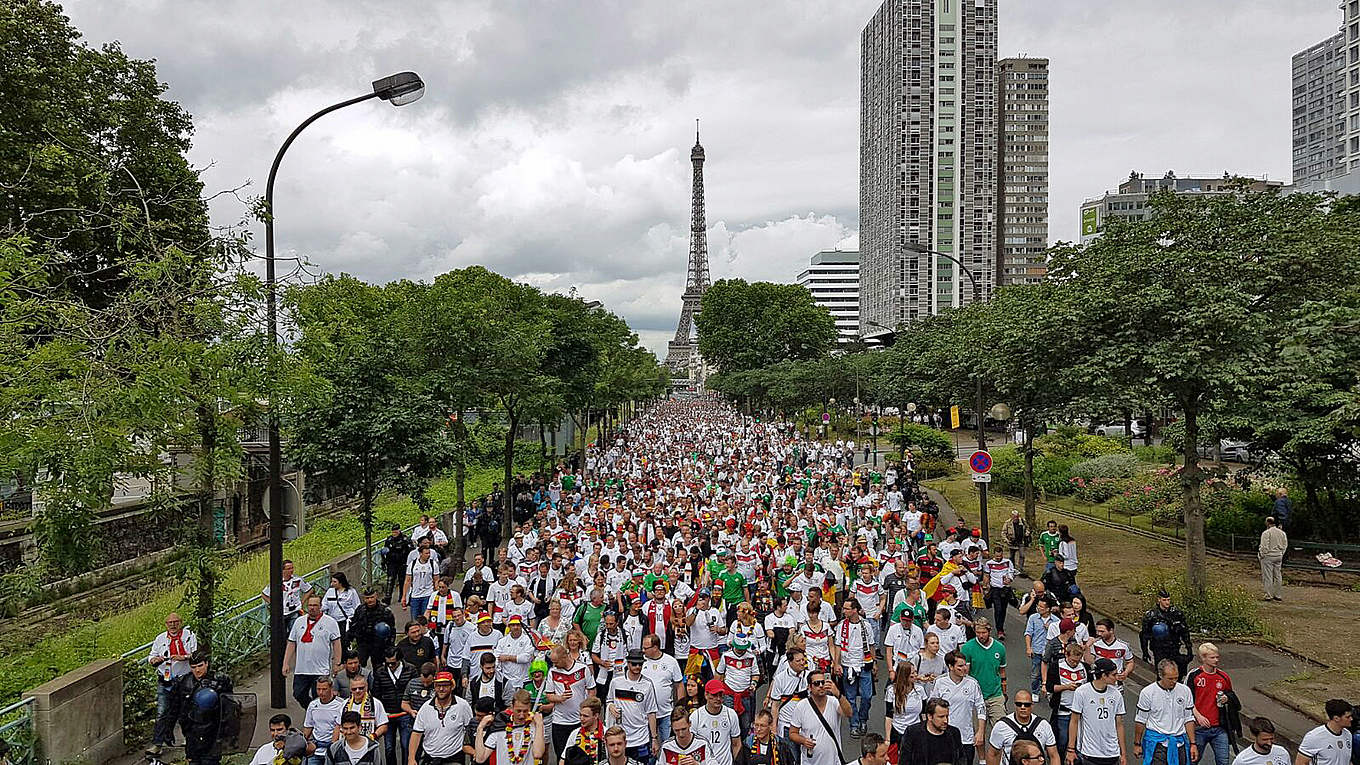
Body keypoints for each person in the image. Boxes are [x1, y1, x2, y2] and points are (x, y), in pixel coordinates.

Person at [149, 612, 198, 752]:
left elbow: (195, 654)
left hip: (184, 677)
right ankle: (157, 744)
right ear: (166, 624)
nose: (173, 625)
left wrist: (184, 657)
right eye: (170, 623)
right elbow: (152, 655)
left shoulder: (189, 635)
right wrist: (154, 660)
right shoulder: (160, 639)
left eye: (175, 622)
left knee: (185, 709)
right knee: (162, 711)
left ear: (180, 623)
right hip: (165, 678)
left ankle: (187, 738)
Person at [174, 651, 234, 765]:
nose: (197, 670)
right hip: (193, 733)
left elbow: (229, 706)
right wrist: (171, 728)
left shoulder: (220, 680)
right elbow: (178, 707)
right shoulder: (184, 682)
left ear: (206, 664)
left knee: (210, 761)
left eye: (200, 666)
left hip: (213, 731)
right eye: (193, 667)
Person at [284, 594, 343, 709]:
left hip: (320, 669)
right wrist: (286, 662)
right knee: (298, 694)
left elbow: (336, 643)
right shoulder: (299, 622)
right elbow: (291, 642)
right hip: (302, 669)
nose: (312, 608)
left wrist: (337, 663)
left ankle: (318, 717)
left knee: (320, 696)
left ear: (320, 606)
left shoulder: (330, 622)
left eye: (315, 605)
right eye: (310, 605)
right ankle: (312, 709)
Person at [1065, 658, 1126, 765]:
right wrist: (1071, 749)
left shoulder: (1116, 694)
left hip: (1112, 752)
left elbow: (1119, 724)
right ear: (1103, 675)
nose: (1117, 678)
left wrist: (1123, 753)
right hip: (1089, 752)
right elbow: (1074, 721)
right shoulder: (1082, 692)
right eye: (1113, 674)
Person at [1134, 659, 1195, 765]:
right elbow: (1140, 720)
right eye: (1170, 678)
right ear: (1161, 675)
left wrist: (1193, 743)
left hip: (1179, 743)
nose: (1174, 681)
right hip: (1158, 744)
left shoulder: (1185, 691)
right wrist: (1137, 743)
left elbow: (1188, 719)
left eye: (1176, 678)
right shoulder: (1148, 693)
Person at [606, 649, 661, 764]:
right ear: (628, 663)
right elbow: (609, 700)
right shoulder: (616, 682)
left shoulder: (648, 684)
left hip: (641, 738)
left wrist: (654, 739)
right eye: (634, 664)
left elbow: (651, 712)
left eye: (640, 664)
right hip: (621, 738)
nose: (637, 666)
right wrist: (611, 706)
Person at [408, 670, 474, 765]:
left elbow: (470, 730)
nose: (441, 689)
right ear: (435, 687)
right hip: (430, 758)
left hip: (454, 758)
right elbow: (416, 734)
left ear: (452, 686)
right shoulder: (425, 708)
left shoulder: (463, 706)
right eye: (438, 685)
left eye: (445, 685)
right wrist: (411, 758)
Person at [933, 650, 987, 765]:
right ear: (950, 666)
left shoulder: (972, 683)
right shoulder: (940, 682)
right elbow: (931, 708)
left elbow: (981, 707)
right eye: (960, 666)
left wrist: (980, 731)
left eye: (965, 665)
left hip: (966, 738)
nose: (965, 668)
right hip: (943, 736)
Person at [786, 669, 850, 765]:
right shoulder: (801, 706)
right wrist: (803, 741)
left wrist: (838, 694)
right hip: (810, 761)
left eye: (823, 682)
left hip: (833, 761)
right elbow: (792, 733)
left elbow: (848, 713)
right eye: (816, 683)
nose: (821, 686)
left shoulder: (834, 702)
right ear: (809, 687)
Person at [1185, 643, 1233, 765]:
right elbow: (1186, 699)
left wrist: (1227, 698)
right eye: (1212, 657)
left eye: (1217, 657)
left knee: (1223, 761)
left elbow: (1232, 696)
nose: (1216, 660)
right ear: (1203, 658)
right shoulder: (1194, 675)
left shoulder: (1223, 677)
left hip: (1219, 729)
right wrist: (1198, 716)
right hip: (1198, 728)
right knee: (1192, 760)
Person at [834, 597, 874, 738]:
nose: (844, 611)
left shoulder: (866, 625)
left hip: (864, 664)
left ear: (855, 610)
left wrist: (874, 663)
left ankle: (863, 719)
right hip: (847, 665)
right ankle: (854, 724)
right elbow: (838, 645)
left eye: (847, 608)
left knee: (866, 696)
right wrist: (836, 663)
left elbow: (871, 644)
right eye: (844, 608)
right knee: (850, 698)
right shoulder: (841, 626)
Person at [987, 690, 1059, 765]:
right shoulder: (1001, 726)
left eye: (1026, 704)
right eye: (1019, 704)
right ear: (1015, 705)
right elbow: (993, 754)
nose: (1023, 707)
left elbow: (1054, 755)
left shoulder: (1044, 725)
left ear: (1032, 705)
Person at [476, 690, 547, 765]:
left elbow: (538, 754)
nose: (522, 715)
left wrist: (539, 725)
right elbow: (480, 758)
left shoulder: (535, 726)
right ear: (512, 707)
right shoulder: (500, 725)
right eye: (518, 711)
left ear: (529, 708)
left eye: (525, 711)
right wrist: (480, 728)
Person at [961, 617, 1008, 728]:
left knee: (1001, 730)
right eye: (978, 632)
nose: (981, 636)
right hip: (975, 696)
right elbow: (965, 674)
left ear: (989, 631)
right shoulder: (967, 648)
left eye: (984, 632)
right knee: (978, 735)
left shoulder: (1000, 648)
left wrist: (1004, 693)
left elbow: (1002, 671)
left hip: (995, 695)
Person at [371, 649, 414, 765]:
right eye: (387, 663)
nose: (390, 666)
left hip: (405, 713)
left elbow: (414, 690)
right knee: (389, 748)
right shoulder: (380, 672)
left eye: (393, 663)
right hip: (387, 715)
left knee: (406, 745)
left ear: (399, 660)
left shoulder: (410, 669)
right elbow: (376, 694)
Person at [641, 634, 685, 744]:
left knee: (668, 744)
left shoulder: (671, 661)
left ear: (655, 648)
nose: (643, 650)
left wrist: (680, 707)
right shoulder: (640, 662)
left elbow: (679, 685)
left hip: (666, 713)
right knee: (650, 747)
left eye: (646, 648)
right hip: (646, 714)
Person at [1139, 591, 1192, 679]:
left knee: (1177, 671)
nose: (1167, 602)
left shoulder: (1176, 613)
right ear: (1159, 600)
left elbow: (1184, 631)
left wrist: (1189, 648)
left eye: (1168, 600)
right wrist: (1145, 652)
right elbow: (1144, 635)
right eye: (1164, 600)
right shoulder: (1151, 615)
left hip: (1174, 647)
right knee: (1162, 672)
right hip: (1159, 648)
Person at [899, 698, 963, 765]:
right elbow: (904, 761)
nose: (945, 721)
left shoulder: (954, 733)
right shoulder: (913, 733)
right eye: (941, 717)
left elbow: (961, 760)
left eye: (947, 716)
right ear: (930, 716)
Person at [1295, 700, 1354, 765]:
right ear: (1336, 718)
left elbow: (1346, 760)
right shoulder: (1314, 737)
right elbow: (1300, 763)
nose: (1351, 719)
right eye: (1348, 717)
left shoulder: (1348, 734)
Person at [352, 589, 398, 671]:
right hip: (363, 642)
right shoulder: (360, 610)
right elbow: (354, 625)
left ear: (376, 596)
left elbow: (392, 630)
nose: (370, 600)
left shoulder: (385, 611)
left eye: (372, 597)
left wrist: (390, 646)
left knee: (379, 668)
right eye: (367, 598)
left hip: (379, 644)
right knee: (359, 666)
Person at [304, 676, 346, 765]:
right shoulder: (313, 705)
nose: (321, 692)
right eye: (318, 689)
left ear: (331, 688)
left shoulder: (341, 704)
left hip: (332, 747)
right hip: (315, 747)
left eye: (324, 689)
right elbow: (308, 726)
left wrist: (333, 748)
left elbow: (338, 727)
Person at [263, 559, 313, 633]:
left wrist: (302, 602)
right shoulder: (276, 582)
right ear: (283, 570)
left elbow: (309, 589)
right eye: (288, 569)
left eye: (292, 568)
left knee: (295, 632)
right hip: (282, 612)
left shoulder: (297, 580)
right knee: (281, 635)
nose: (291, 570)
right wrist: (274, 605)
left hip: (295, 610)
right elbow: (264, 594)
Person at [1024, 598, 1058, 696]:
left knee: (1051, 673)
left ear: (1048, 609)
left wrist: (1051, 628)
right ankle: (1035, 692)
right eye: (1038, 606)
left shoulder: (1056, 621)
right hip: (1037, 650)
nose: (1038, 608)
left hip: (1050, 652)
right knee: (1036, 673)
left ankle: (1048, 689)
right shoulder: (1033, 618)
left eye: (1041, 607)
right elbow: (1028, 633)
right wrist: (1028, 648)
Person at [497, 615, 536, 691]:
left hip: (525, 679)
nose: (515, 627)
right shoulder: (502, 641)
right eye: (513, 625)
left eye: (518, 625)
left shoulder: (528, 639)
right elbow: (497, 658)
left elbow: (526, 658)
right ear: (509, 626)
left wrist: (507, 657)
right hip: (508, 680)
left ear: (521, 626)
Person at [564, 697, 608, 765]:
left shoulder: (606, 733)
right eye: (580, 715)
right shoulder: (575, 733)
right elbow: (563, 758)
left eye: (585, 716)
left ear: (596, 715)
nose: (581, 719)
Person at [1257, 518, 1287, 602]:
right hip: (1278, 555)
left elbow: (1264, 546)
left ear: (1268, 523)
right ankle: (1278, 594)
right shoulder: (1282, 533)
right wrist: (1281, 553)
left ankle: (1268, 595)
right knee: (1277, 575)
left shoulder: (1266, 533)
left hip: (1269, 556)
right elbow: (1285, 545)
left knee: (1268, 576)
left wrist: (1262, 555)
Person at [326, 573, 361, 643]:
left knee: (345, 641)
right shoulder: (330, 592)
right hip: (333, 621)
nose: (332, 584)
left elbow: (357, 606)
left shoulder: (351, 592)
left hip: (345, 621)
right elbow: (325, 605)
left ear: (341, 582)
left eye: (334, 582)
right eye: (332, 581)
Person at [383, 524, 415, 604]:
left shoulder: (405, 539)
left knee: (402, 580)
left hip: (402, 562)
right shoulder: (389, 539)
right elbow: (385, 551)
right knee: (390, 579)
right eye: (393, 532)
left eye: (395, 532)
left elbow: (411, 550)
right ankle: (388, 597)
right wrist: (384, 562)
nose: (394, 534)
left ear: (399, 531)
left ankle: (402, 596)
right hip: (392, 562)